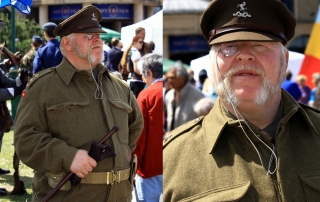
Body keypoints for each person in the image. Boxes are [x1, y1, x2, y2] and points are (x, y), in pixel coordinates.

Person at [163, 0, 320, 201]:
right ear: (212, 64)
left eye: (260, 45)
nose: (245, 56)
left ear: (285, 60)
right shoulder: (173, 158)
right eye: (229, 46)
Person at [14, 5, 143, 201]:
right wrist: (66, 156)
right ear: (67, 43)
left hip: (120, 196)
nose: (97, 40)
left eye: (98, 35)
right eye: (88, 36)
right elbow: (25, 139)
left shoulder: (119, 86)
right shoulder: (44, 86)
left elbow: (134, 127)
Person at [132, 53, 163, 202]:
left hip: (151, 166)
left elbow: (139, 134)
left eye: (143, 75)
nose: (143, 80)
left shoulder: (146, 95)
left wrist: (134, 164)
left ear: (149, 72)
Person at [164, 64, 204, 133]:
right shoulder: (169, 95)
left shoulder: (198, 96)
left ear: (182, 78)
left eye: (172, 78)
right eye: (168, 78)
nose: (169, 81)